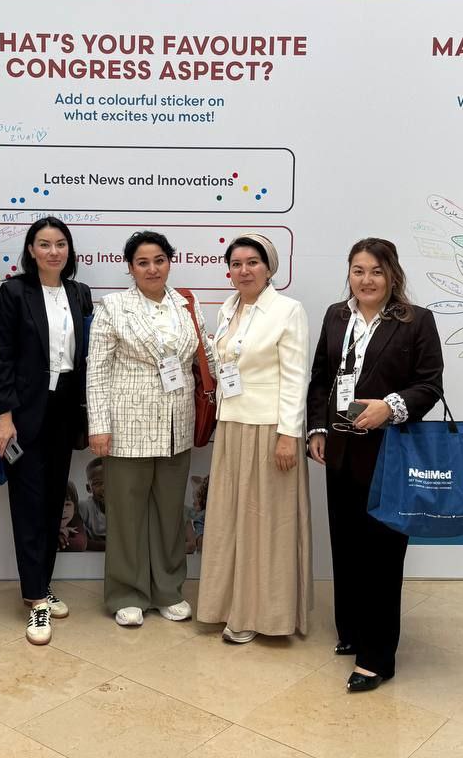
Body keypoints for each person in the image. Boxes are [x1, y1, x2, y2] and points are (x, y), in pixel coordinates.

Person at [306, 238, 444, 692]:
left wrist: (390, 406)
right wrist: (317, 429)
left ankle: (376, 658)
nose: (366, 280)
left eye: (376, 272)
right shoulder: (336, 316)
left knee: (382, 554)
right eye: (358, 270)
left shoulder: (416, 320)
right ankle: (351, 631)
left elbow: (430, 385)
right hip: (340, 450)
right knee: (346, 546)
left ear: (392, 276)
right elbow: (321, 378)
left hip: (390, 454)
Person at [86, 230, 213, 627]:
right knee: (126, 514)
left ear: (170, 262)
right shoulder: (113, 307)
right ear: (130, 267)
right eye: (143, 262)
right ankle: (127, 593)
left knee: (170, 512)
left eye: (159, 260)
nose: (152, 269)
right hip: (127, 427)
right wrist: (99, 426)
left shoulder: (186, 303)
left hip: (177, 425)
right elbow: (96, 370)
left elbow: (206, 355)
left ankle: (169, 590)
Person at [197, 233, 312, 643]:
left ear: (268, 268)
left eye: (252, 263)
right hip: (232, 426)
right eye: (236, 264)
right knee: (230, 522)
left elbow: (296, 378)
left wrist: (288, 435)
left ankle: (265, 615)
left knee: (267, 526)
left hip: (269, 429)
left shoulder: (287, 310)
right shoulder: (228, 308)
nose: (244, 271)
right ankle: (229, 606)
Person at [0, 217, 93, 646]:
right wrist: (5, 415)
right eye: (44, 244)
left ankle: (43, 585)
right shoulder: (15, 292)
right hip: (24, 411)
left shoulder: (79, 292)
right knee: (28, 504)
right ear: (31, 250)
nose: (54, 251)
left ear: (69, 250)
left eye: (60, 244)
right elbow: (3, 358)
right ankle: (34, 599)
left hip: (65, 409)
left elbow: (84, 356)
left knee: (53, 501)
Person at [78, 457, 107, 552]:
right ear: (88, 488)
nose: (105, 488)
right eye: (97, 483)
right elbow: (79, 540)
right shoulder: (84, 507)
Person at [58, 482, 88, 553]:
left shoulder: (75, 519)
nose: (63, 510)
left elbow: (81, 543)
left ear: (75, 509)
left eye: (67, 504)